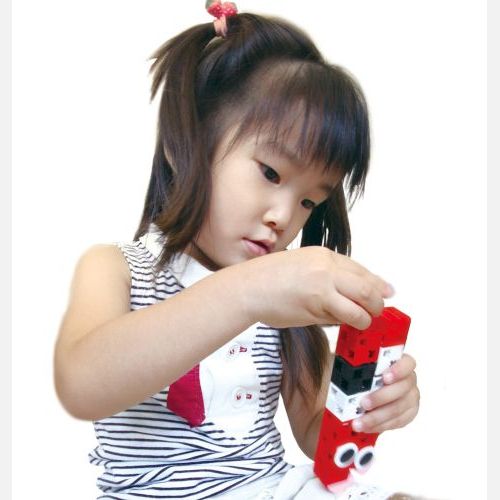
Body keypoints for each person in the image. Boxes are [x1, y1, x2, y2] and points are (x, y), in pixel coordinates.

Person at [54, 3, 420, 499]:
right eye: (270, 173)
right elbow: (81, 386)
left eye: (308, 201)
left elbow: (316, 435)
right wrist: (248, 292)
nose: (283, 216)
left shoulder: (284, 305)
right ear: (187, 144)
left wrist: (366, 403)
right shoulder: (117, 269)